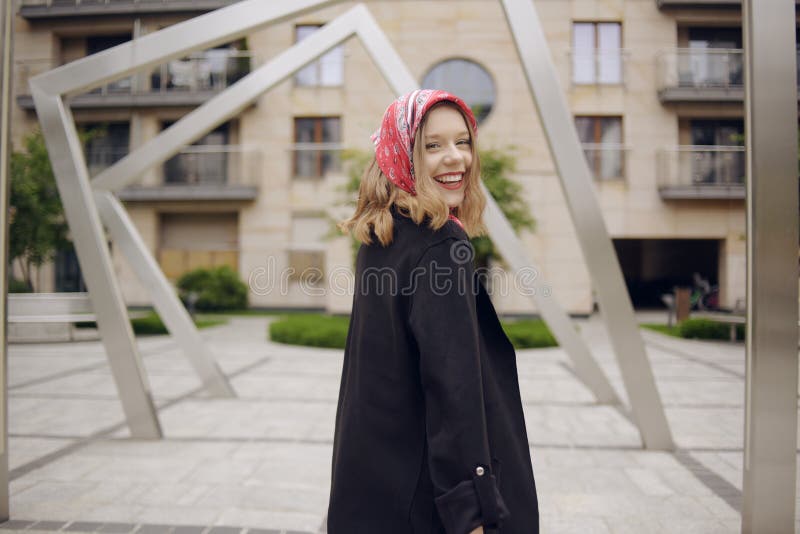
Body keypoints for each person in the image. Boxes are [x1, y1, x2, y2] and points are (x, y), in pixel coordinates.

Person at [327, 89, 539, 534]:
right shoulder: (440, 245)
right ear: (402, 153)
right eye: (433, 145)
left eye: (463, 142)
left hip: (376, 486)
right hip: (424, 504)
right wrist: (473, 511)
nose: (455, 158)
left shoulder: (382, 237)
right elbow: (453, 387)